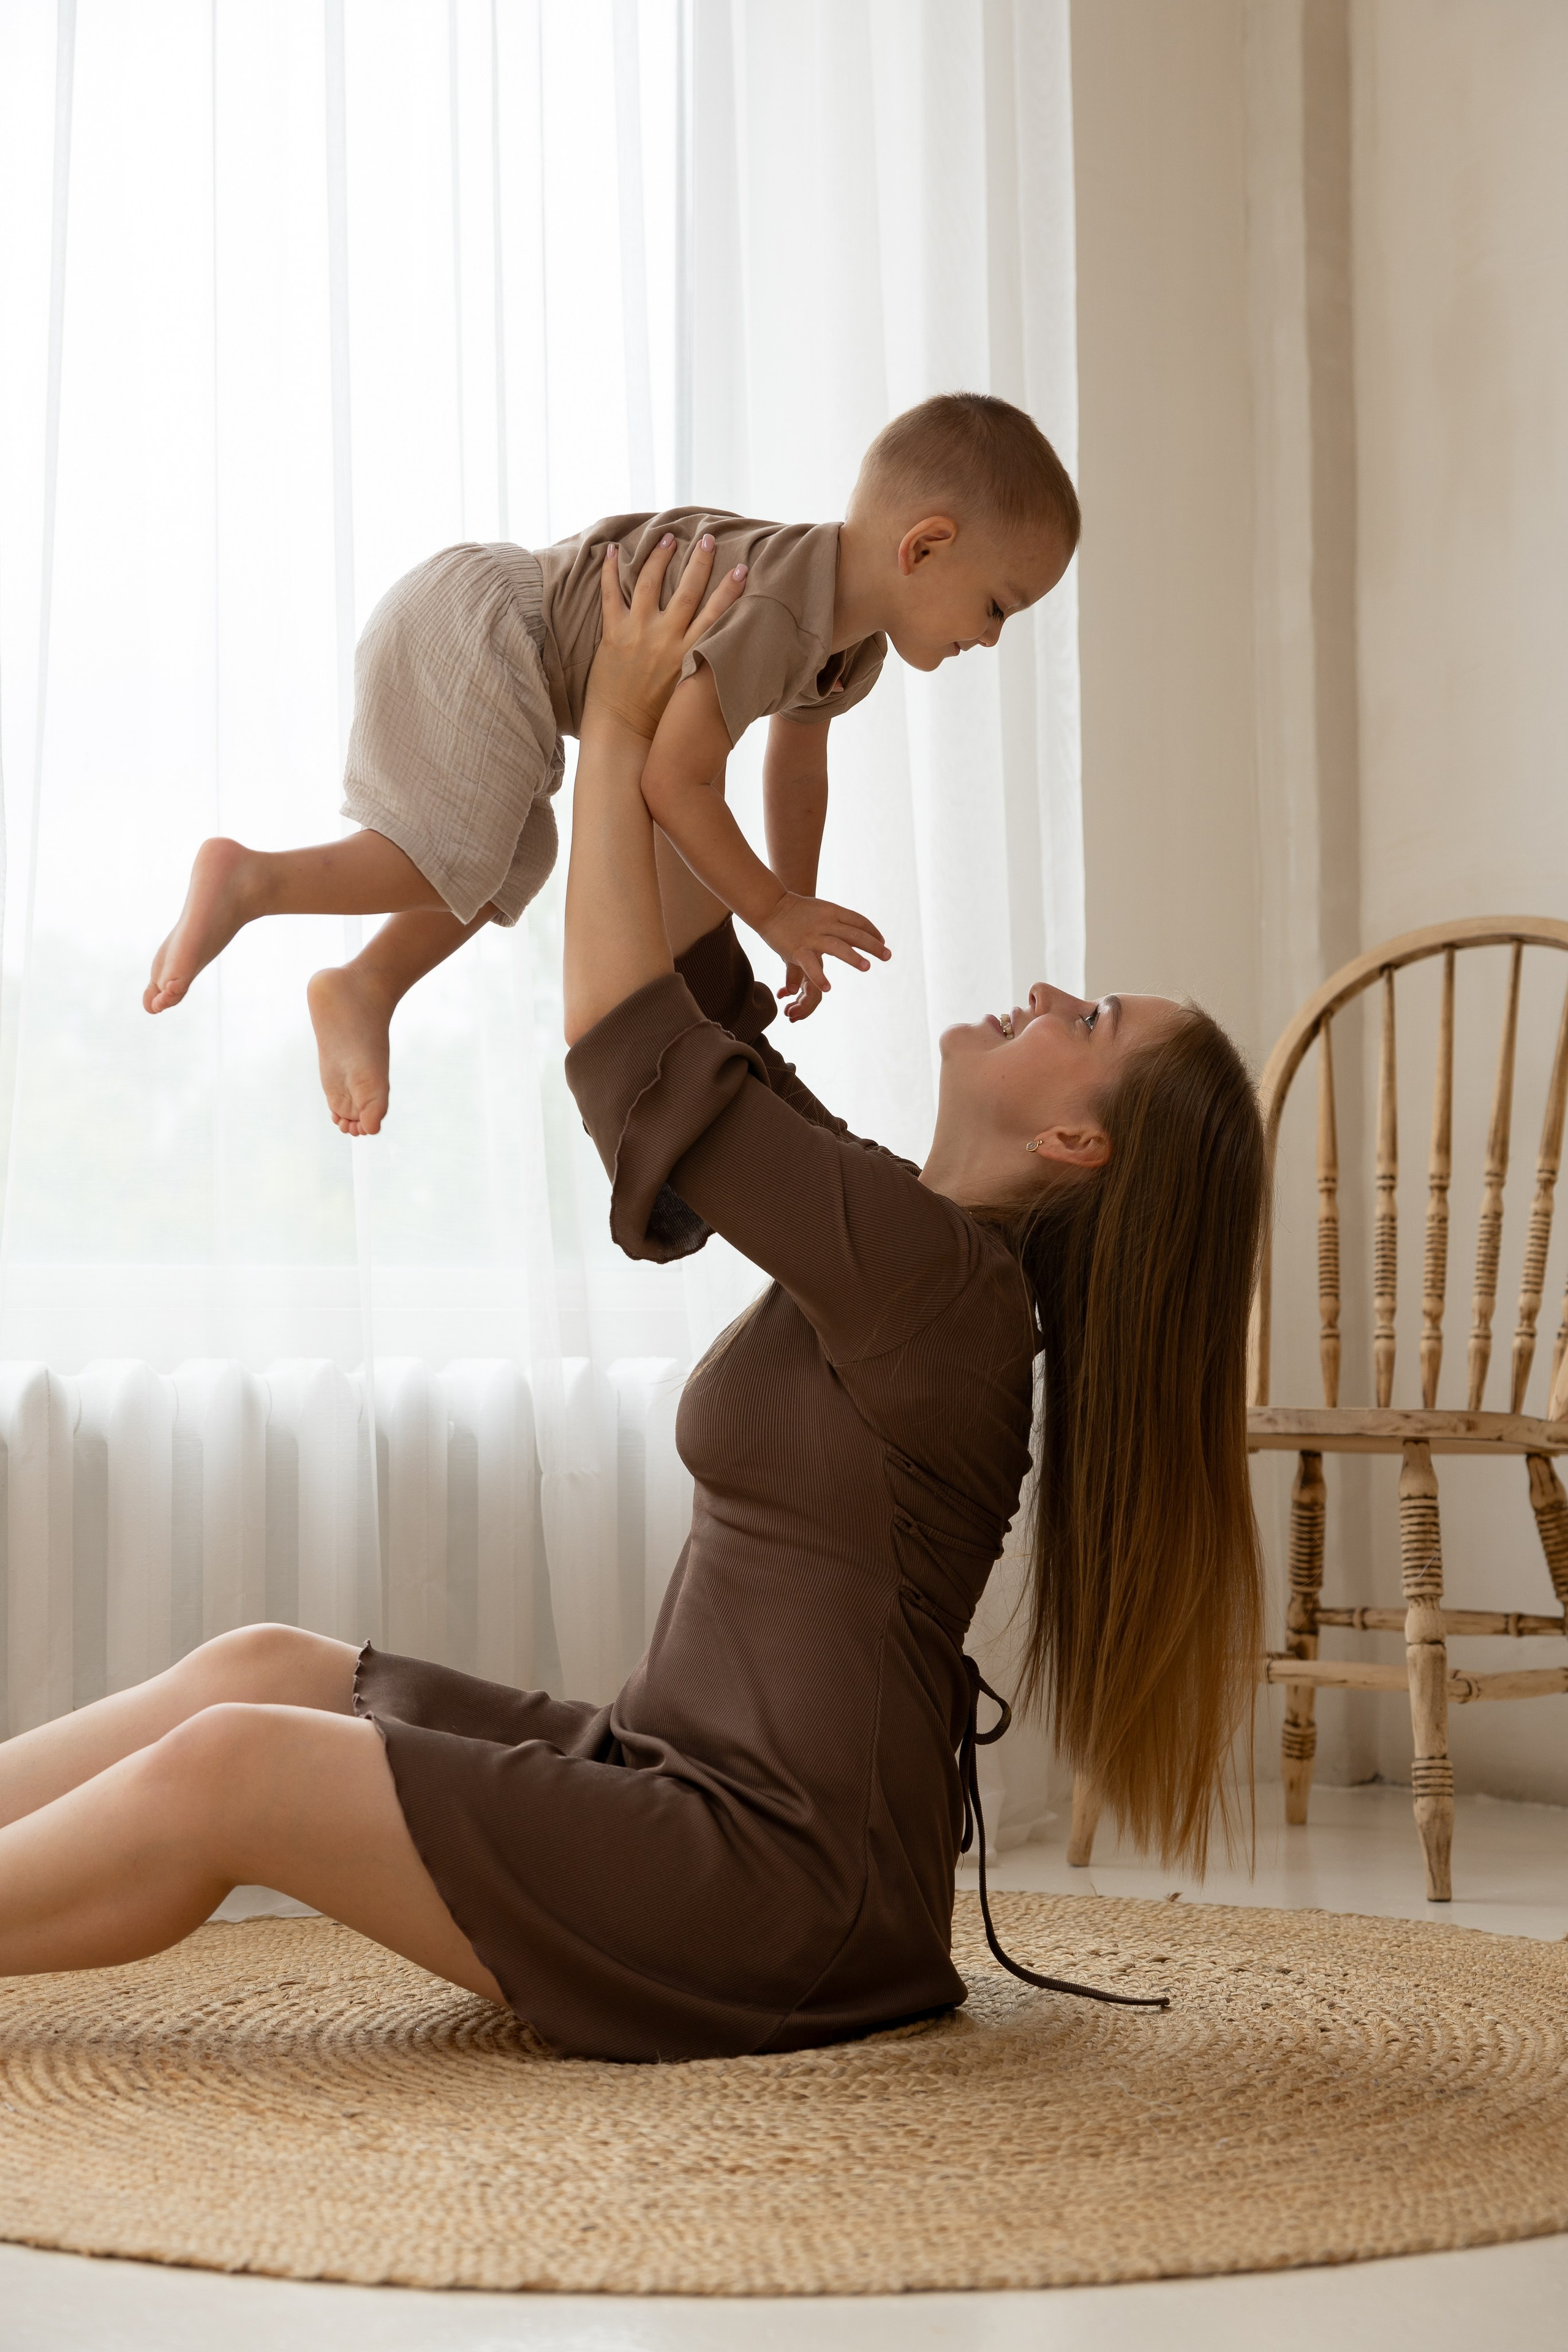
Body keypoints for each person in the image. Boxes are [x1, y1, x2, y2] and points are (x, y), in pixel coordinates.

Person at [0, 537, 1267, 2062]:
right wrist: (688, 706)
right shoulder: (907, 1240)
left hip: (773, 1891)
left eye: (1094, 1020)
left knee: (233, 1770)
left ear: (1076, 1140)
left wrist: (608, 732)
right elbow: (684, 972)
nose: (1055, 992)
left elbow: (626, 1039)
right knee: (265, 1668)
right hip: (678, 1785)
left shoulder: (939, 1290)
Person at [141, 394, 1079, 1135]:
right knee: (456, 855)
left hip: (517, 658)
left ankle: (369, 982)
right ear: (926, 545)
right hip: (491, 622)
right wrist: (770, 910)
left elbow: (798, 770)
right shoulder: (786, 607)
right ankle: (251, 880)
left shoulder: (848, 649)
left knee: (521, 857)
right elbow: (675, 782)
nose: (991, 639)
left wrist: (795, 912)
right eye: (997, 607)